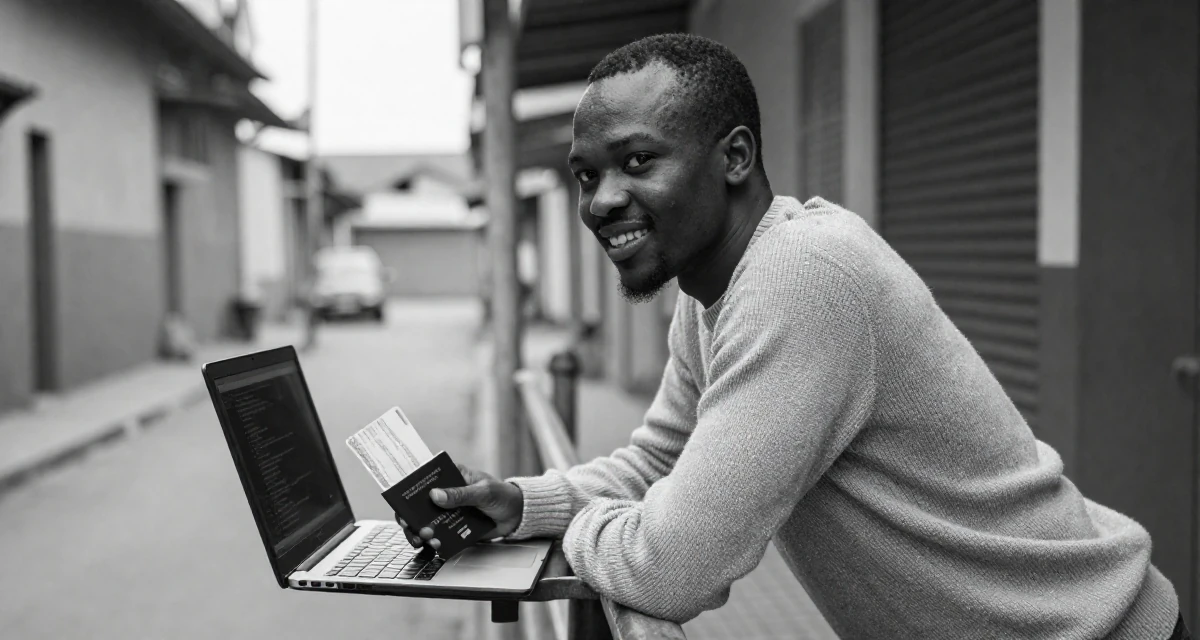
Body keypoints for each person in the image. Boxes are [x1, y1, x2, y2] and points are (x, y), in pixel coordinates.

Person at [396, 34, 1188, 639]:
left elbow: (675, 569)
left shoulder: (800, 278)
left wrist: (577, 528)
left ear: (734, 157)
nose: (603, 200)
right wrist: (523, 505)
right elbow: (658, 462)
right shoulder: (713, 289)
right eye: (586, 174)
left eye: (638, 161)